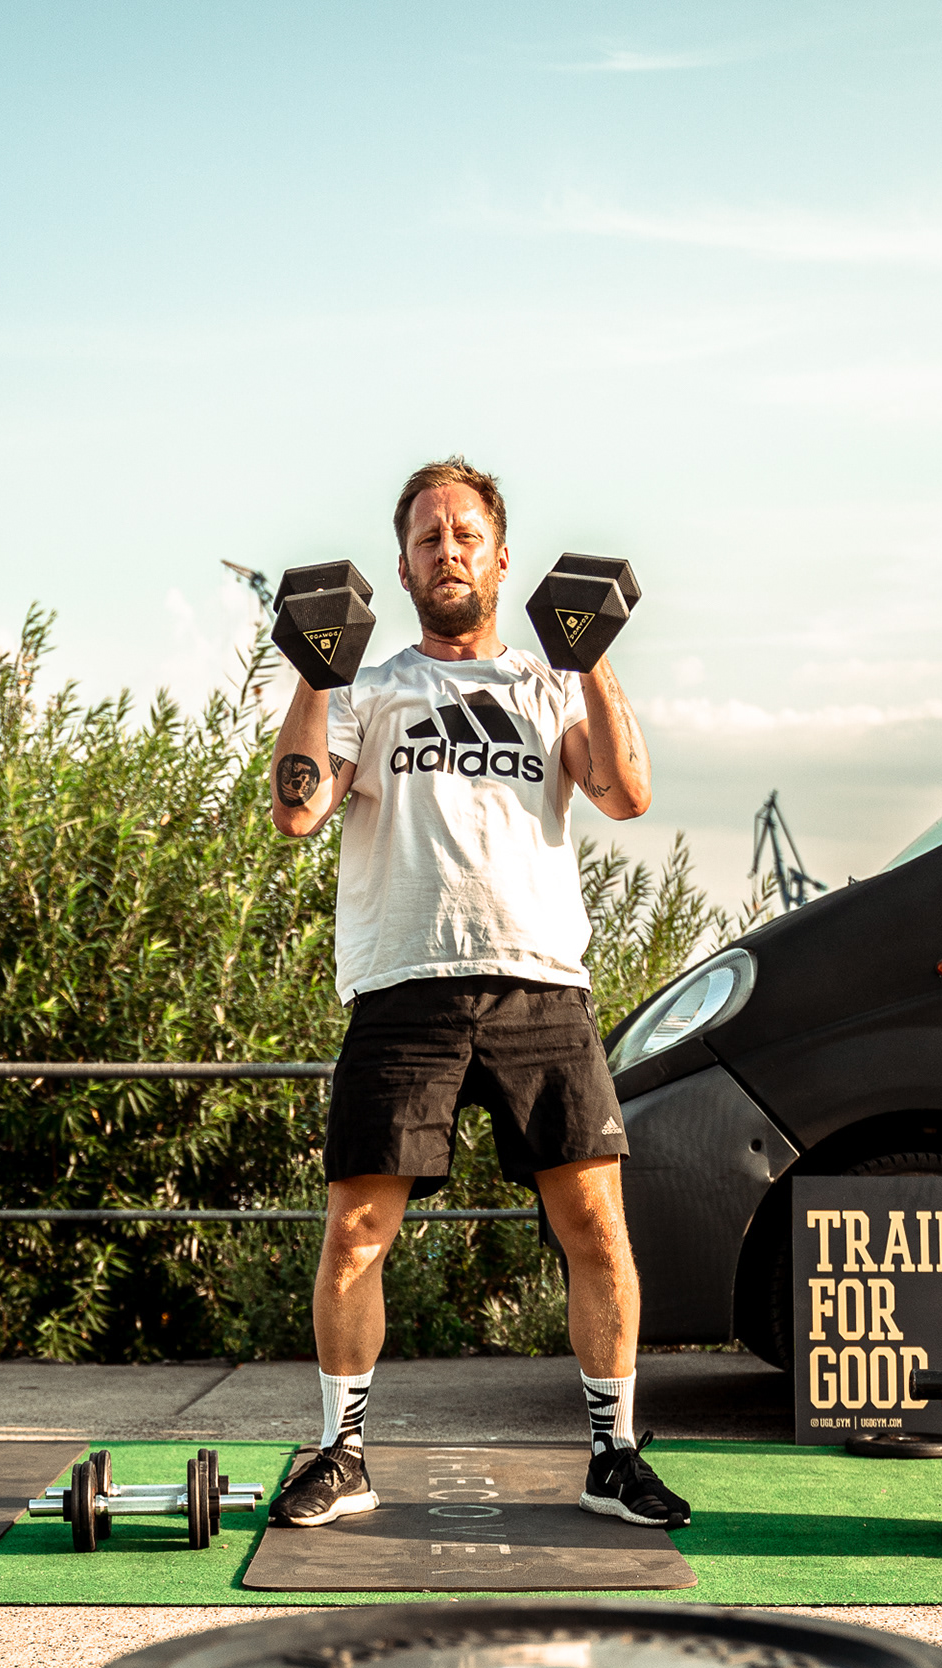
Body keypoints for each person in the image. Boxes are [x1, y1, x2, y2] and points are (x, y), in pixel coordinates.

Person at [265, 454, 692, 1534]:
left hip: (539, 986)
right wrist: (314, 674)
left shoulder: (550, 686)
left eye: (465, 535)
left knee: (595, 1228)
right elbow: (298, 811)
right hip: (403, 987)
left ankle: (613, 1456)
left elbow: (627, 794)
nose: (446, 550)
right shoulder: (366, 691)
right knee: (356, 1232)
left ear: (501, 560)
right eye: (427, 538)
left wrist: (593, 659)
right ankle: (342, 1454)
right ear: (404, 567)